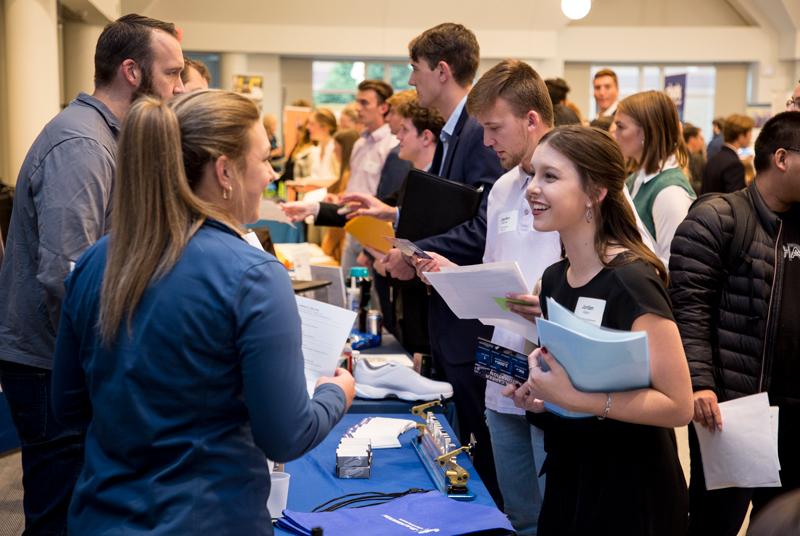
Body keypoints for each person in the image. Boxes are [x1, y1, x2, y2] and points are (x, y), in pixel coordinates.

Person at [51, 91, 355, 535]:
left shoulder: (97, 260)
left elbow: (68, 405)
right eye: (266, 160)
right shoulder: (252, 274)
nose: (272, 175)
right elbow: (286, 436)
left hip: (101, 516)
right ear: (224, 171)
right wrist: (336, 394)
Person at [0, 14, 185, 534]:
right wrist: (112, 371)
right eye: (171, 74)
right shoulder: (82, 146)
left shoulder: (108, 137)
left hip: (64, 357)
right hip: (50, 363)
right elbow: (68, 277)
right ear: (132, 71)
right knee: (61, 515)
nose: (177, 88)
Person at [503, 125, 693, 535]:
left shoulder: (632, 282)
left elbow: (679, 406)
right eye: (533, 174)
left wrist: (577, 398)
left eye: (550, 177)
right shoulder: (553, 280)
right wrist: (544, 398)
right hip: (571, 475)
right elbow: (575, 383)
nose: (532, 188)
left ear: (596, 192)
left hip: (629, 488)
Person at [414, 59, 561, 536]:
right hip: (501, 363)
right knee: (515, 509)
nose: (487, 141)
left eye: (496, 127)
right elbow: (499, 268)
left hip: (553, 364)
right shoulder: (500, 190)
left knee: (553, 509)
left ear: (532, 120)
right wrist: (456, 275)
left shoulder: (581, 181)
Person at [385, 22, 507, 507]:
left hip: (472, 321)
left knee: (486, 446)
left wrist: (416, 253)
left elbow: (483, 228)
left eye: (415, 70)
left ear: (441, 69)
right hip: (451, 316)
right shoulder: (458, 132)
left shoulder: (477, 132)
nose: (411, 82)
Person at [669, 111, 800, 536]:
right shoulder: (719, 216)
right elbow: (689, 306)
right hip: (734, 407)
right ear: (782, 158)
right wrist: (700, 382)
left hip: (794, 409)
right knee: (715, 522)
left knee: (781, 522)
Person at [615, 90, 695, 268]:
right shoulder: (636, 178)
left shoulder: (670, 192)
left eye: (621, 127)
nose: (615, 135)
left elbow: (673, 265)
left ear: (647, 131)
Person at [340, 79, 398, 273]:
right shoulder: (360, 144)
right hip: (353, 227)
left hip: (376, 232)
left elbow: (389, 196)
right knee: (348, 290)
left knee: (372, 299)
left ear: (383, 108)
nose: (357, 108)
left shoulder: (392, 145)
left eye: (364, 103)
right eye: (357, 101)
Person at [320, 127, 361, 262]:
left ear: (345, 148)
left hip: (344, 238)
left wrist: (327, 249)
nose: (333, 150)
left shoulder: (349, 175)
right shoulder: (348, 174)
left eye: (336, 146)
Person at [701, 113, 753, 195]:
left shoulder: (713, 158)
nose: (751, 137)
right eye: (749, 133)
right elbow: (736, 200)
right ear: (741, 137)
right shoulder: (735, 165)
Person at [306, 108, 340, 180]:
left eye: (312, 124)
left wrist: (309, 182)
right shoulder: (315, 151)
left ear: (325, 129)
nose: (307, 127)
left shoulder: (336, 151)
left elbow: (339, 181)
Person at [683, 123, 706, 195]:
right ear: (692, 139)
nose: (701, 142)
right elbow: (689, 183)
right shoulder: (685, 157)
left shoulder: (690, 156)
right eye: (700, 138)